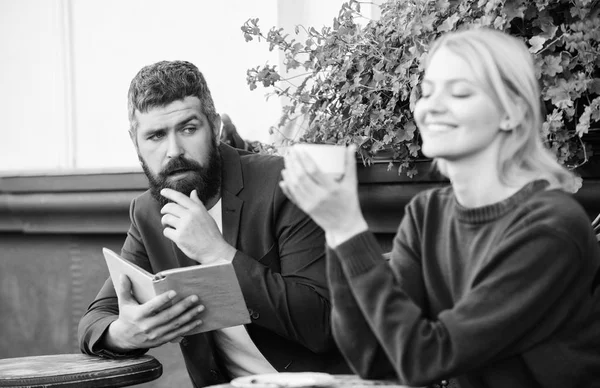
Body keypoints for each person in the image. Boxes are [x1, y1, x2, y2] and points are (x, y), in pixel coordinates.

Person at [279, 28, 600, 388]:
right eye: (427, 91)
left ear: (512, 113)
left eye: (460, 92)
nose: (430, 107)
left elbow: (427, 359)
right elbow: (374, 357)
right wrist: (338, 232)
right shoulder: (427, 214)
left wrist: (349, 229)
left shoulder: (550, 228)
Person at [78, 60, 349, 387]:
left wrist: (219, 253)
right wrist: (123, 334)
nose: (173, 151)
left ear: (216, 127)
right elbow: (95, 321)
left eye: (188, 128)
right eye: (155, 136)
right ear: (136, 143)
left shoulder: (281, 185)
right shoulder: (148, 213)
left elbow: (322, 325)